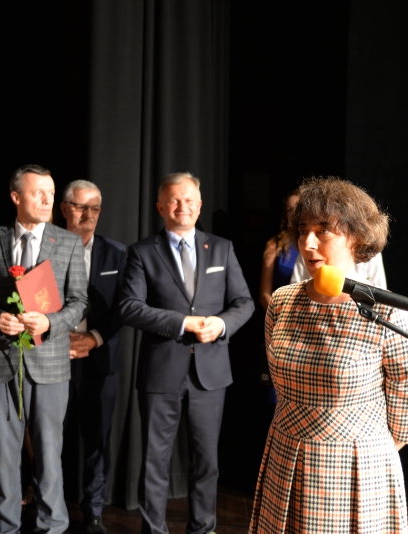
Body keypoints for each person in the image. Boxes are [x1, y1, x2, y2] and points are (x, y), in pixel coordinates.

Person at [248, 177, 408, 533]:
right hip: (285, 453)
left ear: (356, 237)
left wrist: (365, 447)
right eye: (303, 230)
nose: (308, 243)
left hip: (354, 466)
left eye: (323, 231)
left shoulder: (387, 313)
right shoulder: (283, 302)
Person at [119, 172, 254, 534]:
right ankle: (154, 530)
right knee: (154, 461)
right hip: (161, 372)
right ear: (161, 207)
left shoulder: (222, 248)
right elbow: (129, 307)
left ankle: (202, 529)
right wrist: (183, 322)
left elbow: (244, 302)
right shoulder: (142, 251)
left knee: (207, 462)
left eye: (190, 200)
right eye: (175, 200)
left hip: (211, 373)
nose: (183, 206)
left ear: (200, 205)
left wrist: (221, 324)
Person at [0, 164, 89, 534]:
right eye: (39, 193)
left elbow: (79, 302)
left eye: (51, 192)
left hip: (50, 363)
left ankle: (53, 526)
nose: (48, 199)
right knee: (5, 454)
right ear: (16, 197)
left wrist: (51, 323)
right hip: (0, 361)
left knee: (49, 453)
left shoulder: (67, 242)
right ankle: (6, 527)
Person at [59, 179, 126, 534]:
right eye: (80, 206)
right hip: (54, 357)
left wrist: (94, 338)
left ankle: (94, 509)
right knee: (50, 437)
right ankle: (49, 505)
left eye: (95, 207)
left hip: (100, 359)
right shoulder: (45, 248)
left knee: (98, 438)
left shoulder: (117, 253)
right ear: (64, 209)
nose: (88, 214)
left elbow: (125, 305)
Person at [258, 189, 300, 310]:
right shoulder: (274, 245)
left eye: (298, 208)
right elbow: (264, 294)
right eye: (289, 209)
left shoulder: (319, 244)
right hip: (281, 312)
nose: (293, 214)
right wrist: (281, 315)